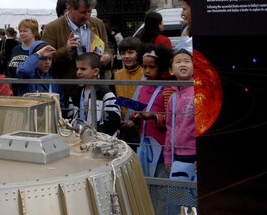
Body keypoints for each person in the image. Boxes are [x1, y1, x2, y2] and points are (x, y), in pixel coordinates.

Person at [42, 0, 112, 97]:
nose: (87, 16)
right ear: (69, 9)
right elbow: (45, 59)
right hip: (68, 91)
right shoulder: (52, 28)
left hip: (96, 90)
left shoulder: (97, 24)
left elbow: (107, 49)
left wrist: (107, 57)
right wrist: (66, 49)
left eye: (90, 11)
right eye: (83, 12)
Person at [123, 45, 172, 178]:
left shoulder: (168, 89)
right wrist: (135, 118)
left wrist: (153, 117)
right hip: (144, 144)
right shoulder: (143, 87)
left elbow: (172, 119)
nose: (146, 71)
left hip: (161, 147)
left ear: (161, 67)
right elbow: (140, 109)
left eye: (152, 67)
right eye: (144, 67)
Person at [66, 52, 121, 134]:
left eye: (83, 69)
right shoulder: (75, 94)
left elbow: (114, 120)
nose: (78, 72)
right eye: (77, 69)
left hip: (99, 139)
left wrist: (96, 134)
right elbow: (69, 117)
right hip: (77, 138)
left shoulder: (106, 94)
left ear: (95, 71)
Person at [165, 47, 196, 180]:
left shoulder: (199, 93)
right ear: (171, 70)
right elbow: (169, 128)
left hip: (194, 154)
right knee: (180, 196)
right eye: (178, 62)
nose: (183, 64)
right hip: (176, 154)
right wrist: (168, 156)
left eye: (187, 61)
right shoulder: (173, 97)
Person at [7, 19, 44, 94]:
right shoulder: (15, 49)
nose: (22, 33)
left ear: (34, 32)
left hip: (31, 91)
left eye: (25, 31)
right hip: (14, 90)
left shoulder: (39, 50)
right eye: (20, 31)